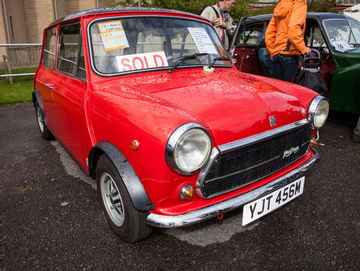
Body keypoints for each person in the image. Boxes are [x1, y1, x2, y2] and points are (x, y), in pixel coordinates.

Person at [265, 0, 311, 82]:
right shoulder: (299, 3)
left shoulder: (281, 4)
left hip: (276, 53)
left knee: (278, 89)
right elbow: (293, 29)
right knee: (288, 90)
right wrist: (304, 49)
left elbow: (269, 32)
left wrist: (273, 52)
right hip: (289, 54)